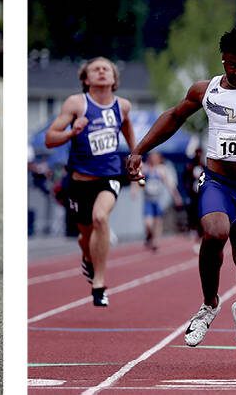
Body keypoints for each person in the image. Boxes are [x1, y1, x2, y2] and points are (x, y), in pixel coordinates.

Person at [132, 26, 236, 361]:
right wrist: (139, 150)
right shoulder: (205, 90)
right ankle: (209, 305)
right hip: (218, 182)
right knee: (215, 231)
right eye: (232, 64)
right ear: (223, 59)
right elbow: (174, 116)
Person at [43, 57, 136, 307]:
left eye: (107, 68)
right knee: (85, 236)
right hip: (79, 181)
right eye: (96, 69)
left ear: (115, 79)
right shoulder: (76, 103)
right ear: (86, 79)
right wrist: (71, 132)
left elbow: (127, 127)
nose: (103, 71)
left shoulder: (123, 105)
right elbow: (50, 139)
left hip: (109, 177)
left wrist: (135, 155)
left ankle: (99, 283)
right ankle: (87, 256)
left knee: (100, 218)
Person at [140, 153, 178, 251]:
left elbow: (169, 184)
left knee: (157, 222)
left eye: (155, 158)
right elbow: (139, 180)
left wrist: (176, 197)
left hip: (157, 200)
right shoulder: (145, 168)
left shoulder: (161, 170)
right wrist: (137, 187)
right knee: (148, 223)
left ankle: (155, 242)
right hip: (148, 200)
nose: (153, 159)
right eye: (152, 157)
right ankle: (149, 235)